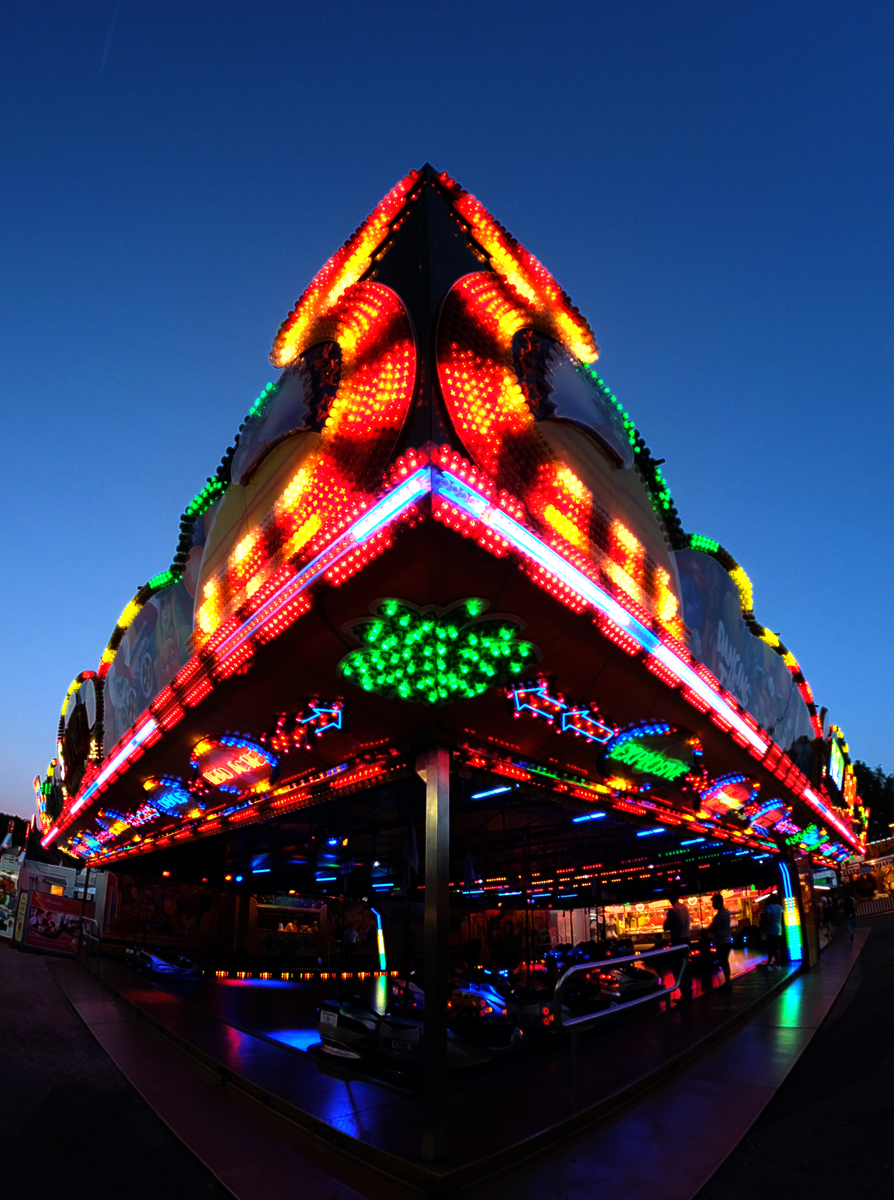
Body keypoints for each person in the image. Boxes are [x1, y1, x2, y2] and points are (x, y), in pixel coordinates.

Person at [663, 890, 692, 1004]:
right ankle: (688, 992)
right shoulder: (685, 908)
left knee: (677, 968)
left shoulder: (673, 911)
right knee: (685, 967)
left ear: (669, 898)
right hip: (686, 940)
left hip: (677, 941)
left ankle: (684, 994)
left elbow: (665, 927)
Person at [708, 893, 733, 990]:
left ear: (719, 902)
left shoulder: (719, 915)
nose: (713, 905)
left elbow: (712, 927)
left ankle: (728, 983)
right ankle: (728, 982)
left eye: (714, 903)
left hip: (722, 942)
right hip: (727, 940)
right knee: (725, 962)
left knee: (723, 962)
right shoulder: (726, 913)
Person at [761, 894, 784, 969]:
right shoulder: (780, 907)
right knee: (776, 946)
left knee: (772, 947)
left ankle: (776, 964)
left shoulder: (770, 907)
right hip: (778, 929)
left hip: (771, 929)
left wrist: (770, 921)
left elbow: (767, 914)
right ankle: (776, 963)